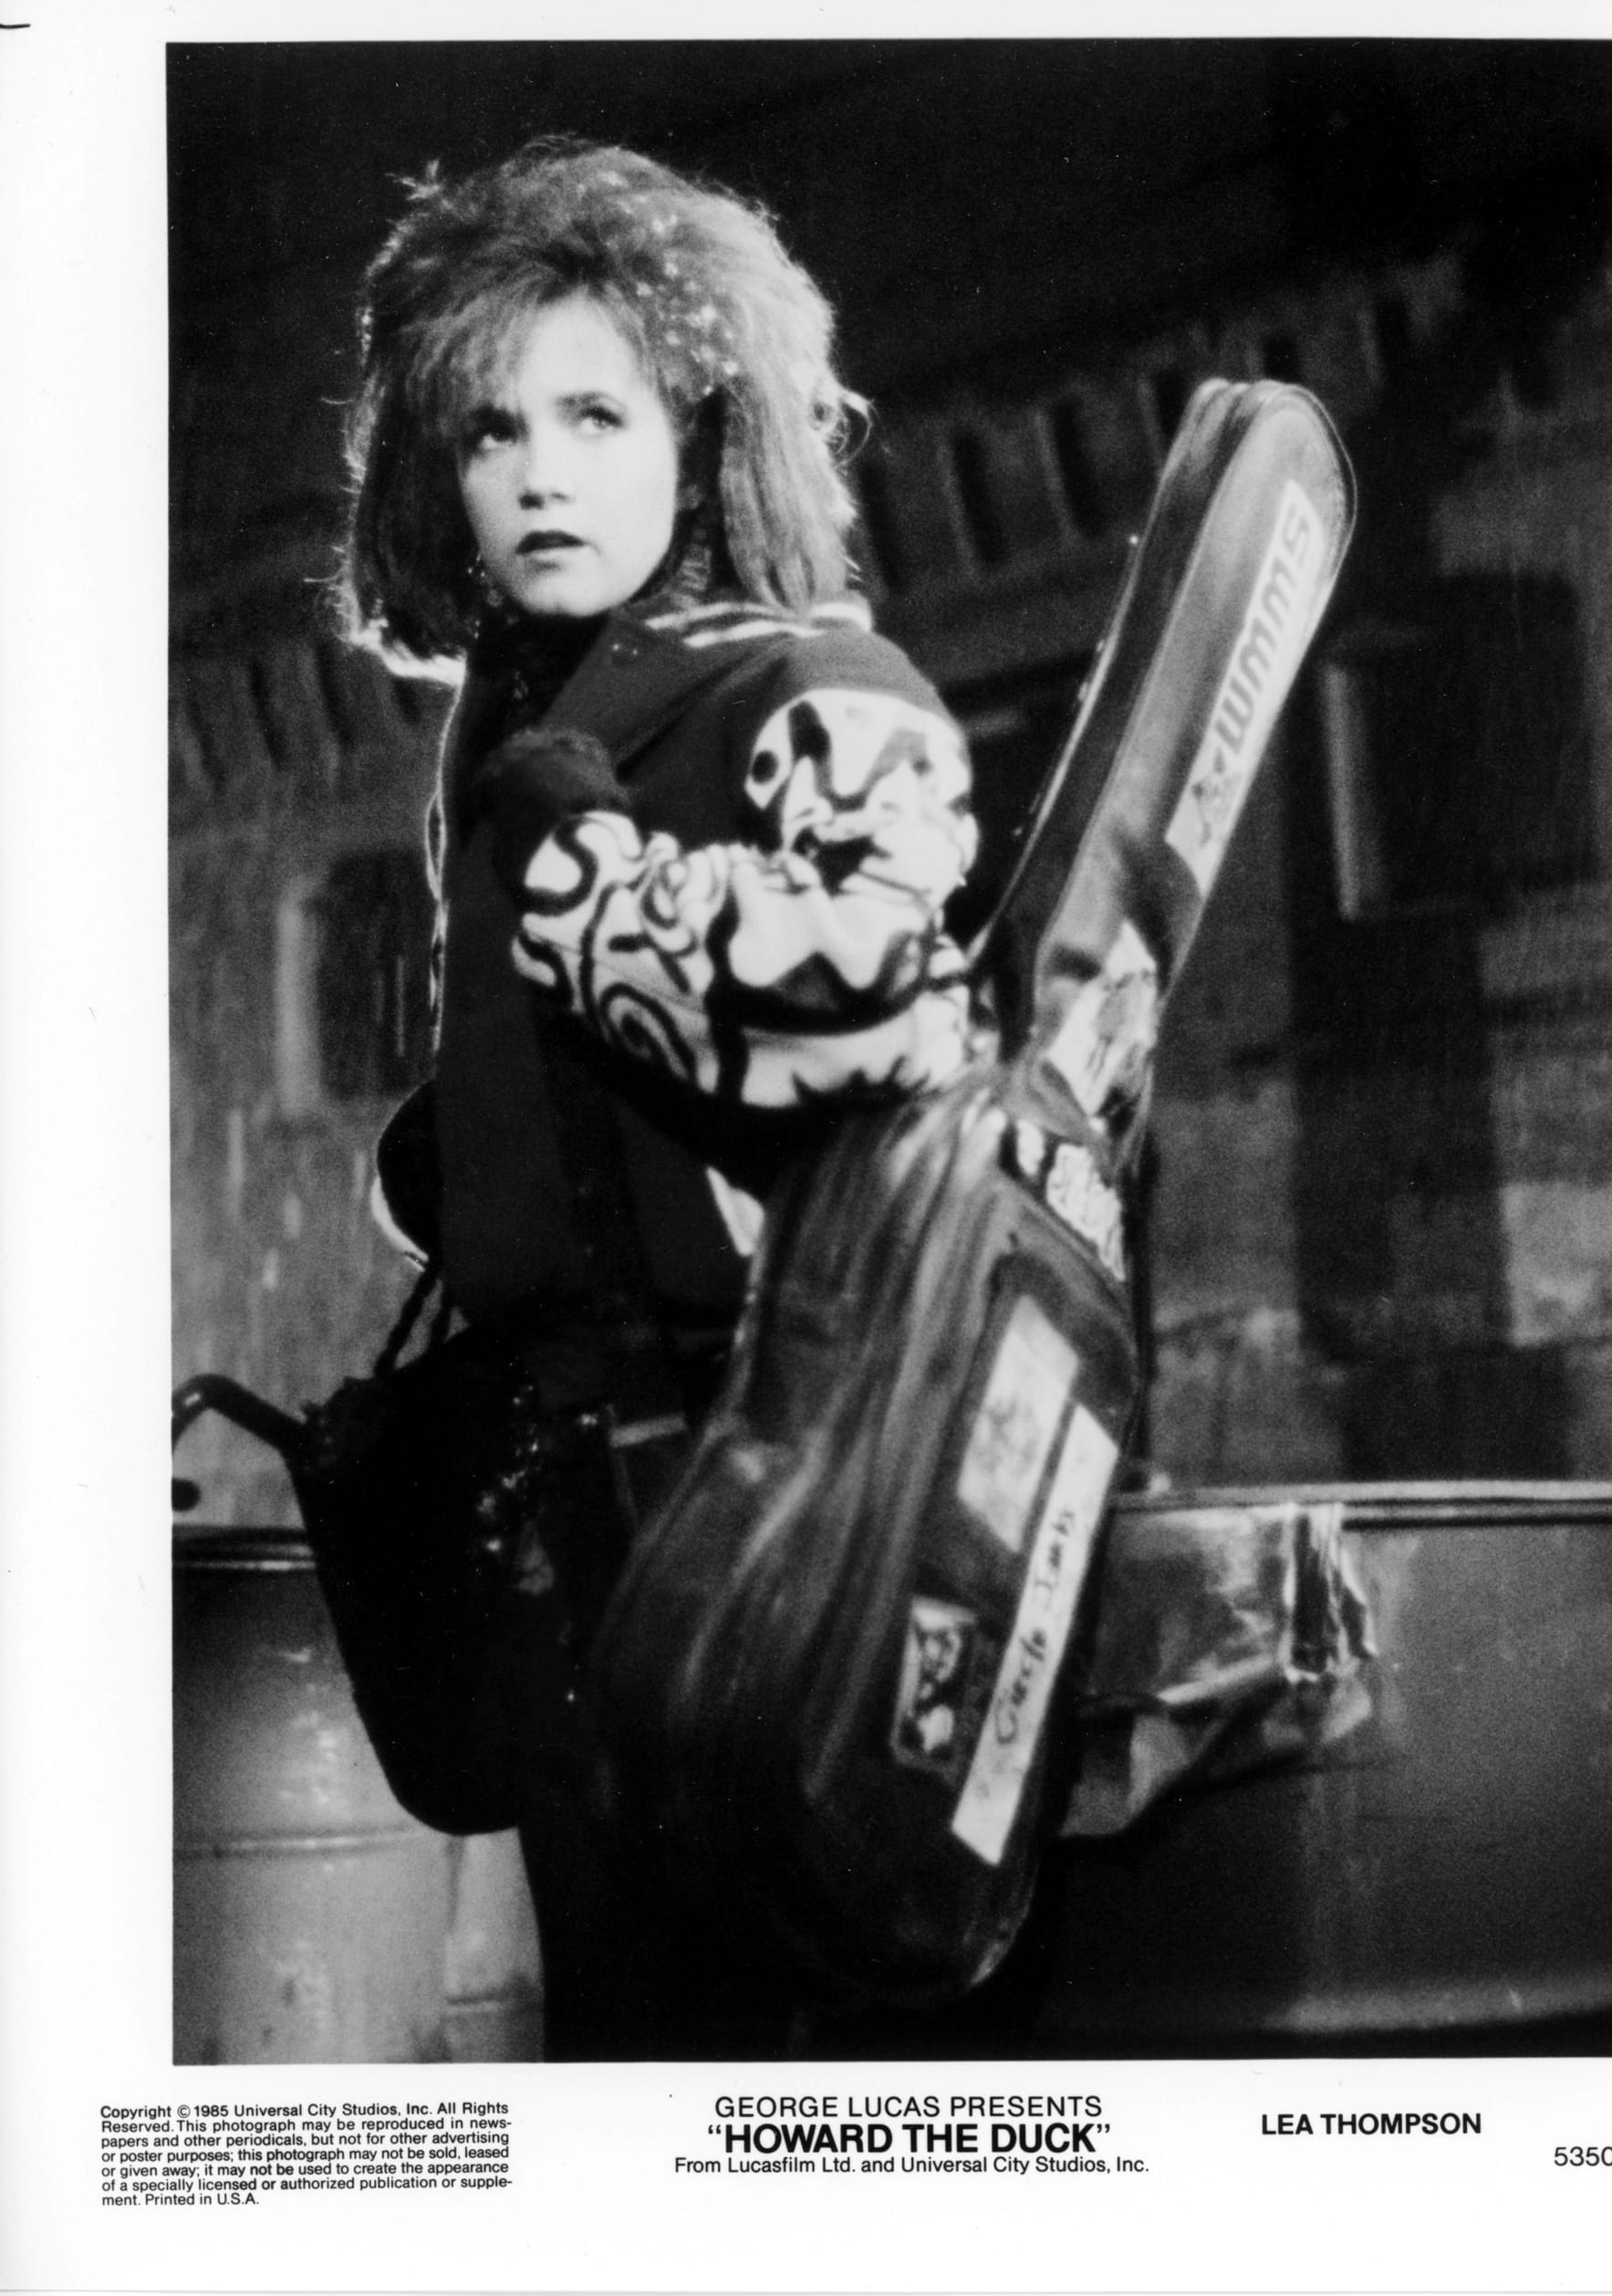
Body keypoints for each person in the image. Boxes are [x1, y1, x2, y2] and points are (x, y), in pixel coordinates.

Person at [338, 137, 983, 2058]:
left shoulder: (812, 676)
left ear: (704, 440)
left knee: (776, 2055)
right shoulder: (525, 715)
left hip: (777, 1495)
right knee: (623, 2042)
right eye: (491, 428)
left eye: (596, 416)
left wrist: (587, 881)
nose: (538, 472)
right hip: (571, 1506)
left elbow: (891, 1009)